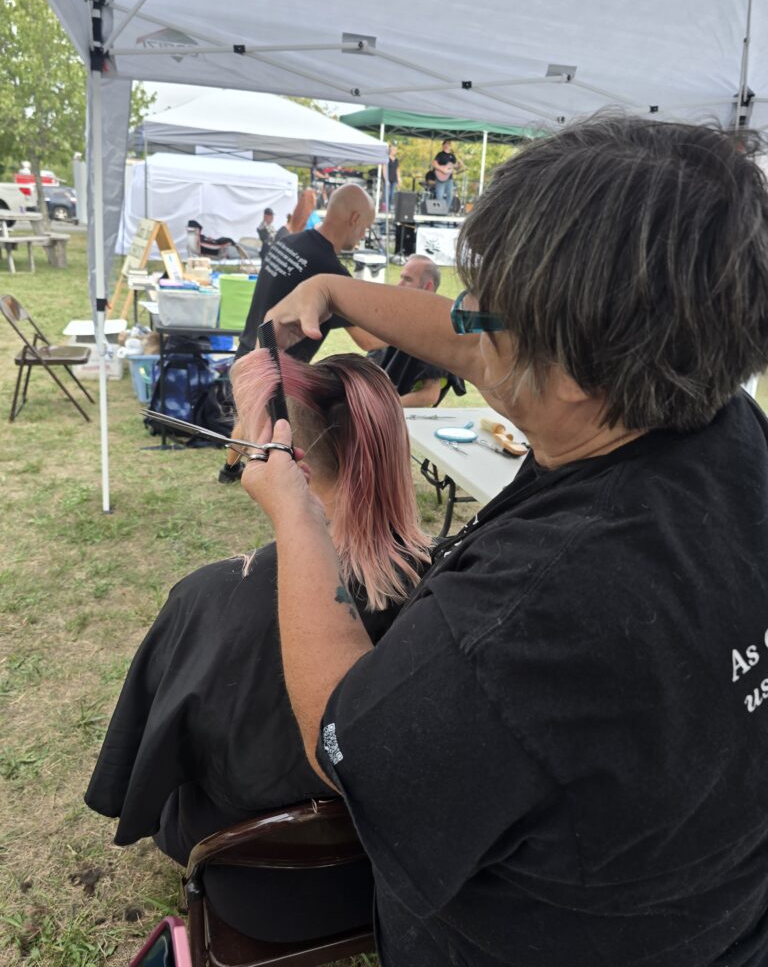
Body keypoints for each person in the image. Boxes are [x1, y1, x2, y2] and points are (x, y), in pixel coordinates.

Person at [239, 117, 768, 966]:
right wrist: (335, 295)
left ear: (568, 373)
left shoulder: (528, 617)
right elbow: (485, 347)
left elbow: (344, 741)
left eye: (483, 315)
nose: (463, 331)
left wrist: (298, 504)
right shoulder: (718, 419)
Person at [85, 349, 430, 943]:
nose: (230, 443)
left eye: (240, 427)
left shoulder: (209, 599)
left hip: (259, 890)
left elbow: (152, 755)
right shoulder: (453, 588)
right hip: (397, 881)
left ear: (281, 455)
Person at [217, 183, 374, 483]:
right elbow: (368, 339)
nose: (364, 234)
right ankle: (264, 478)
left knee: (249, 415)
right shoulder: (331, 272)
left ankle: (228, 471)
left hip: (250, 345)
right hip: (280, 367)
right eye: (365, 226)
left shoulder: (288, 242)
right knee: (268, 427)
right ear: (354, 219)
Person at [353, 255, 465, 407]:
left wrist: (381, 408)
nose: (399, 284)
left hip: (397, 417)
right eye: (401, 277)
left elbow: (429, 395)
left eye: (407, 279)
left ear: (428, 287)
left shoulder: (435, 331)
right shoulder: (394, 318)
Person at [431, 138, 464, 210]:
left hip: (449, 179)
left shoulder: (452, 156)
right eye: (445, 143)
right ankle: (438, 211)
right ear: (443, 145)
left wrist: (460, 165)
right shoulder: (440, 154)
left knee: (450, 195)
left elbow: (456, 167)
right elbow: (434, 163)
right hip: (440, 179)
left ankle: (446, 210)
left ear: (450, 146)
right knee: (439, 195)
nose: (447, 145)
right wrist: (443, 170)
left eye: (448, 144)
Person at [385, 142, 401, 210]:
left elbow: (397, 170)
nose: (394, 151)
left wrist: (399, 179)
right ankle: (386, 208)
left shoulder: (396, 160)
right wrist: (386, 179)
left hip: (394, 179)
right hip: (388, 178)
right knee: (387, 194)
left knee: (392, 195)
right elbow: (384, 169)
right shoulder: (386, 158)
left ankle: (390, 208)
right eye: (393, 150)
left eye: (395, 150)